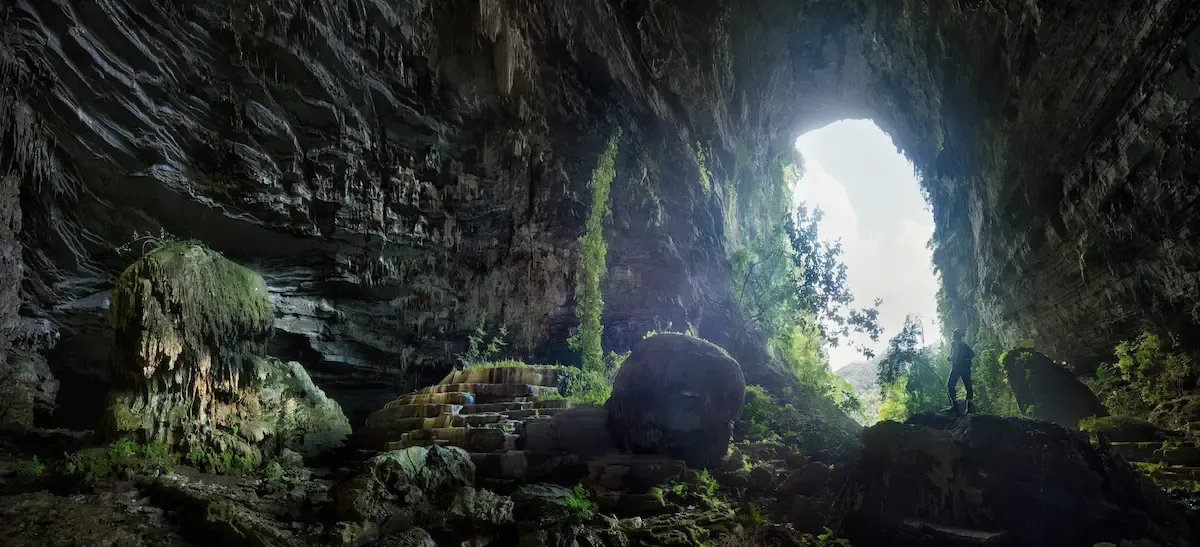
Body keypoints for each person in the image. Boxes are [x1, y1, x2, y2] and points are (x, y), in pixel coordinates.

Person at [944, 328, 975, 415]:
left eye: (953, 334)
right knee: (968, 386)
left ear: (955, 335)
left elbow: (955, 353)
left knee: (950, 384)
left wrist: (950, 358)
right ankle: (969, 407)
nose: (952, 335)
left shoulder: (954, 342)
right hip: (966, 367)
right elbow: (972, 354)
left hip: (957, 367)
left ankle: (955, 406)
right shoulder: (964, 344)